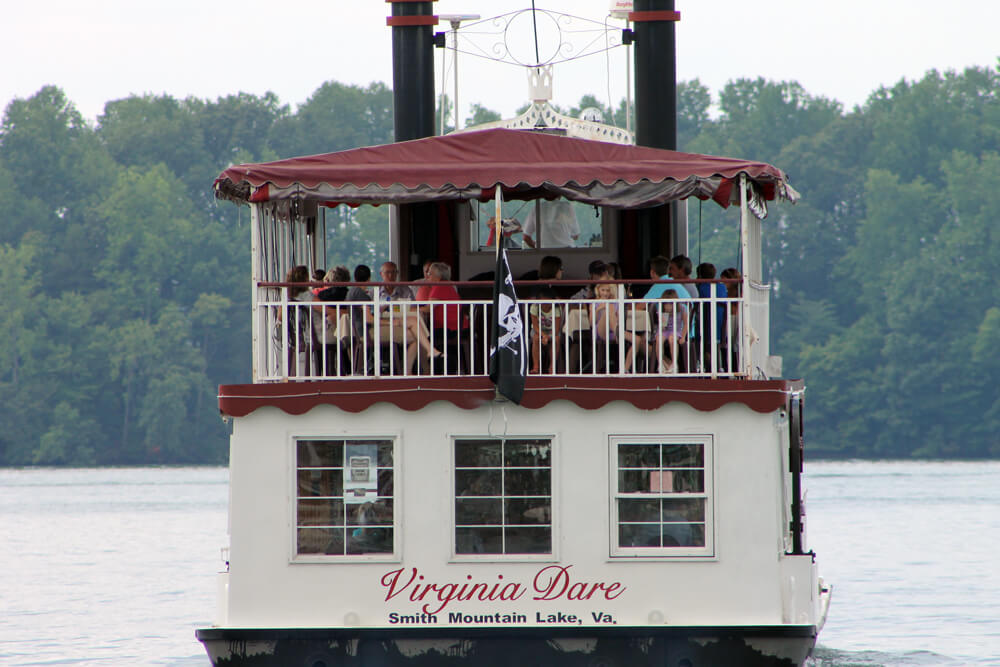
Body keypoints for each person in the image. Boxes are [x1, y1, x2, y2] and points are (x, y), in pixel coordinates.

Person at [694, 263, 728, 373]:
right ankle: (720, 368)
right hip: (722, 323)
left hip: (707, 322)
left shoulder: (701, 287)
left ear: (700, 276)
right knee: (715, 346)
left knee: (703, 345)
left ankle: (707, 367)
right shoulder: (722, 286)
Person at [529, 287, 564, 374]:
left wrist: (548, 337)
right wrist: (543, 335)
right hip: (538, 330)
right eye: (543, 302)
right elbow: (535, 326)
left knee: (556, 339)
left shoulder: (556, 308)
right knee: (536, 338)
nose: (545, 305)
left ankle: (552, 366)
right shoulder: (534, 307)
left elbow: (557, 327)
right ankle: (536, 367)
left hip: (553, 331)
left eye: (548, 303)